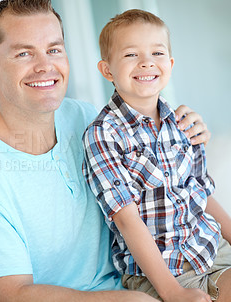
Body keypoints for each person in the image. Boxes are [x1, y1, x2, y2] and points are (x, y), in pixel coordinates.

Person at [0, 1, 211, 301]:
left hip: (133, 284)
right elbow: (10, 294)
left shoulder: (88, 119)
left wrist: (187, 130)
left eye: (54, 49)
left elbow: (166, 184)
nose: (45, 66)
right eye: (24, 53)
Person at [82, 9, 231, 302]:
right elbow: (127, 220)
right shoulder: (103, 134)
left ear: (170, 64)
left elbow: (202, 192)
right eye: (130, 55)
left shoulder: (182, 122)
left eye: (157, 52)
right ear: (107, 70)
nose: (147, 61)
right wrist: (172, 292)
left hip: (212, 248)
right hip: (164, 272)